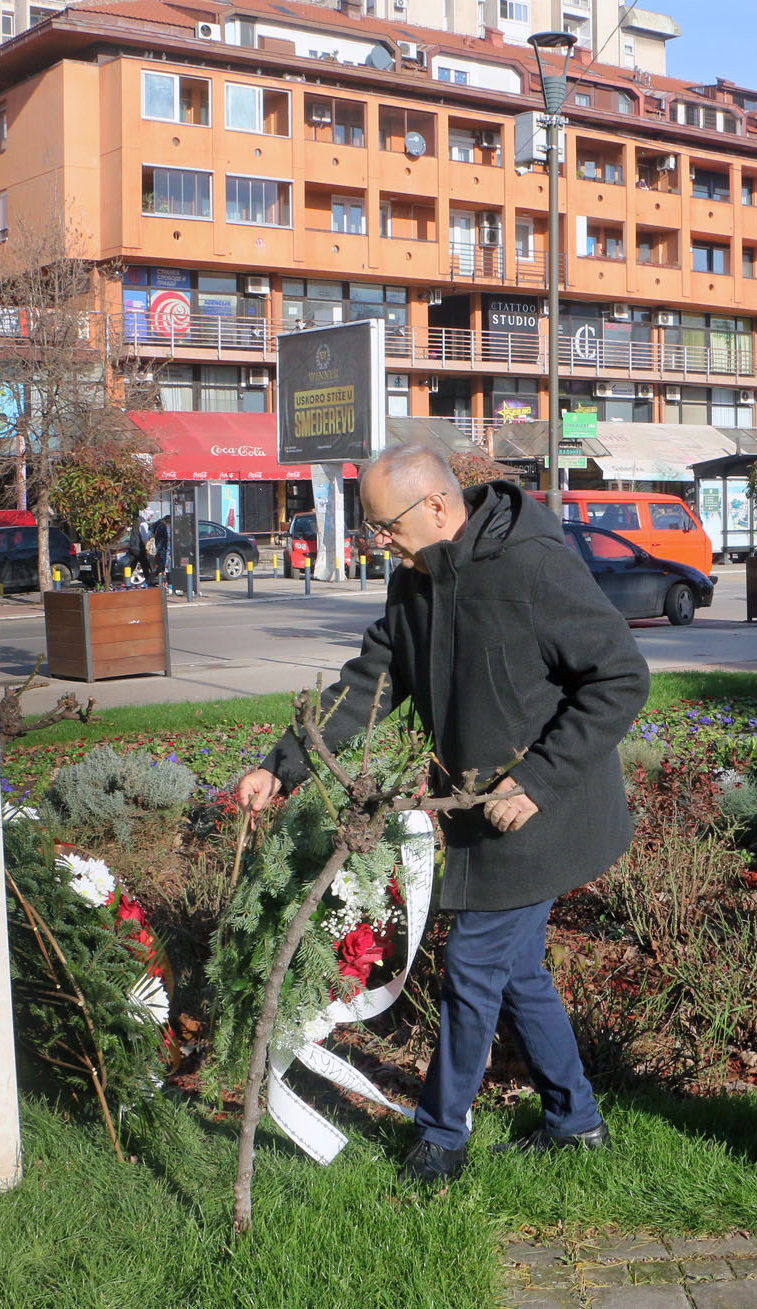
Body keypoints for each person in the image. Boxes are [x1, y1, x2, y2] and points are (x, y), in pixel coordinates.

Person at [234, 446, 650, 1184]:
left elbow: (620, 676)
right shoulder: (414, 581)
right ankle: (577, 1123)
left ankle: (440, 1141)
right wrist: (281, 764)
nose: (377, 541)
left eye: (384, 525)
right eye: (371, 527)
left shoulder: (534, 568)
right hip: (474, 812)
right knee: (517, 972)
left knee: (473, 966)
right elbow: (368, 685)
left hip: (544, 811)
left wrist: (538, 778)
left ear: (435, 506)